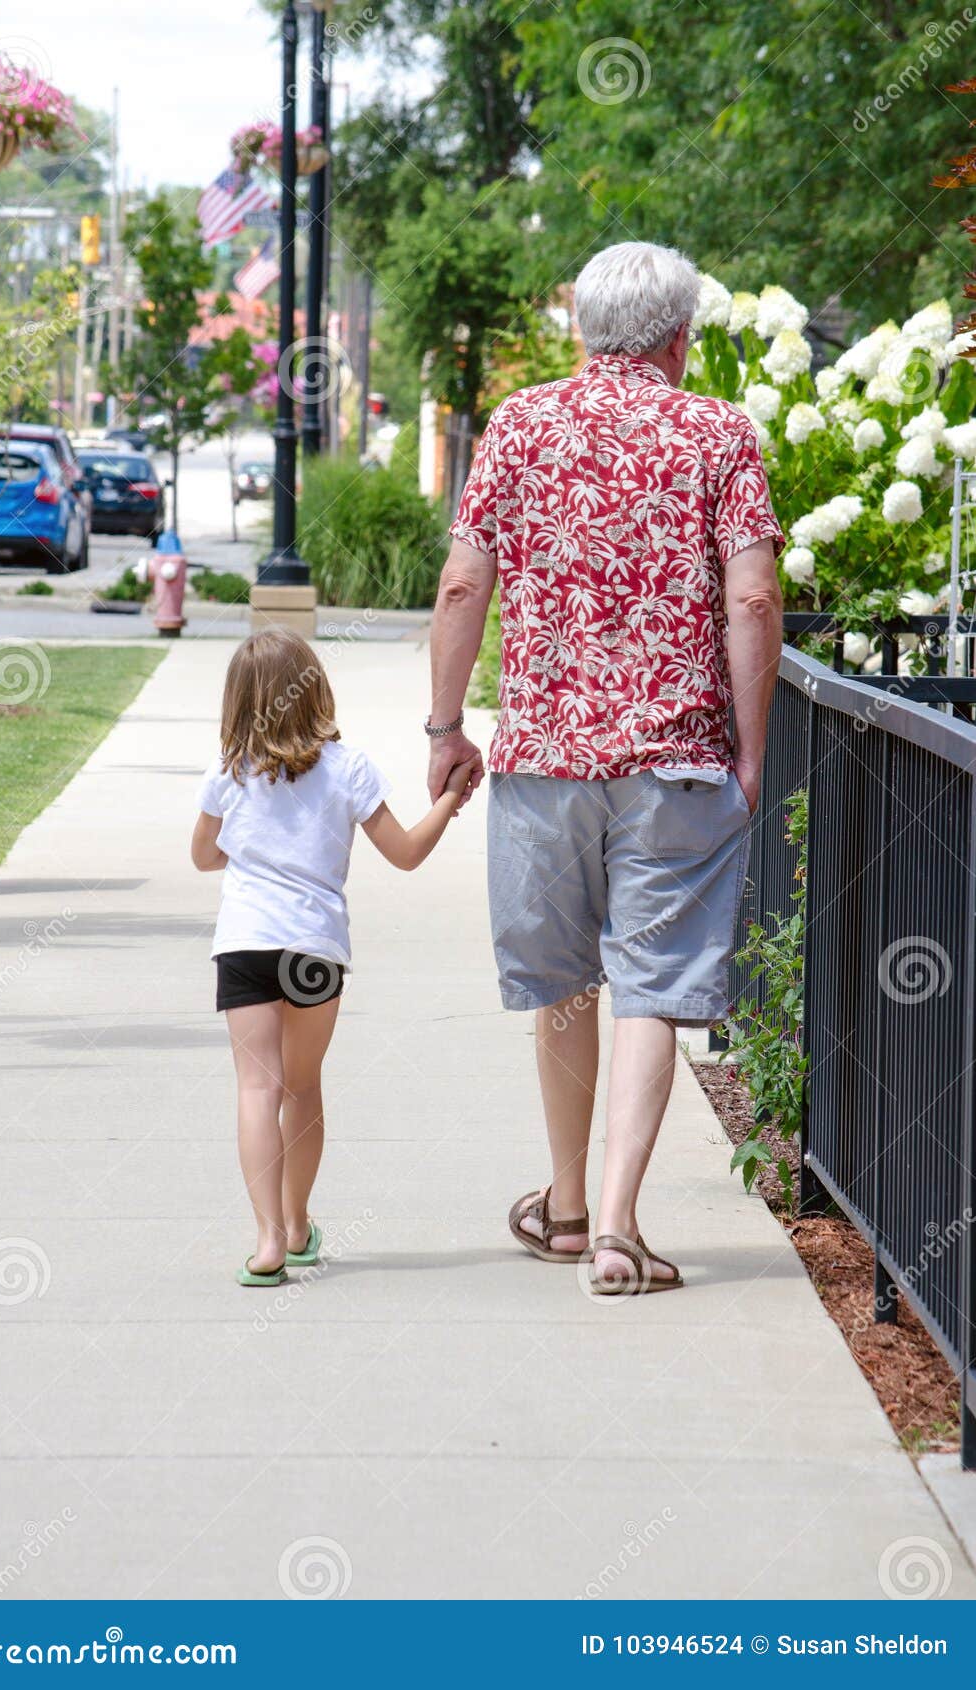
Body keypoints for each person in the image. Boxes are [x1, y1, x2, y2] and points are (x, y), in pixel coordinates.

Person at [426, 240, 784, 1295]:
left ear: (579, 328)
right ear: (681, 337)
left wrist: (446, 727)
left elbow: (460, 587)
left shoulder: (523, 424)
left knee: (569, 982)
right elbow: (754, 600)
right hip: (677, 762)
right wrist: (751, 753)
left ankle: (569, 1205)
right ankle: (625, 1226)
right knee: (653, 988)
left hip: (544, 762)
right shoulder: (719, 432)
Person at [192, 628, 478, 1287]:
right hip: (314, 950)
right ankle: (296, 1224)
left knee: (256, 1090)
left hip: (244, 944)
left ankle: (265, 1242)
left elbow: (203, 856)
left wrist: (254, 853)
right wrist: (448, 800)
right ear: (315, 688)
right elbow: (405, 853)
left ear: (237, 702)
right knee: (302, 1085)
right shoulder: (348, 768)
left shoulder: (228, 773)